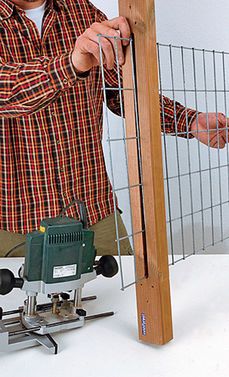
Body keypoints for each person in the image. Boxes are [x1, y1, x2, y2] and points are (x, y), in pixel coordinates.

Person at [0, 0, 227, 257]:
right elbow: (5, 91)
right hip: (13, 226)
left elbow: (123, 93)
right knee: (21, 298)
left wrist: (189, 121)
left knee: (125, 296)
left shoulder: (83, 12)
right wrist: (72, 65)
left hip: (94, 214)